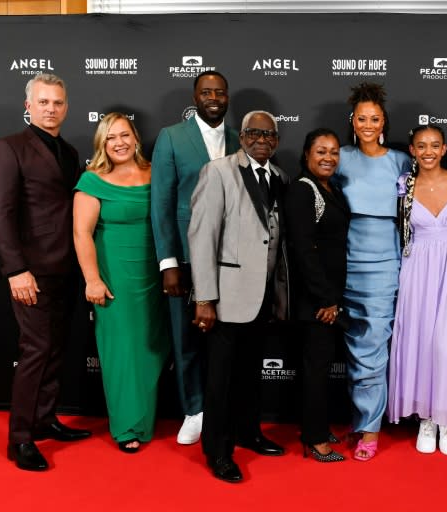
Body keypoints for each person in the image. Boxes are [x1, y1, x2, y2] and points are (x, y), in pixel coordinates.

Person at [0, 73, 91, 471]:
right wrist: (16, 269)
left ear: (66, 106)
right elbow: (1, 213)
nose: (51, 108)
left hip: (65, 268)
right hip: (29, 271)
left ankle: (44, 419)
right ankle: (21, 439)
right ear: (29, 105)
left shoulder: (68, 150)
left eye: (58, 102)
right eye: (44, 102)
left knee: (55, 349)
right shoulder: (8, 148)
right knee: (35, 351)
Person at [188, 110, 289, 483]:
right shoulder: (218, 172)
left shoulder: (280, 177)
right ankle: (218, 451)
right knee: (221, 380)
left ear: (276, 141)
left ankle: (248, 432)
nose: (261, 139)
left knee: (250, 374)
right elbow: (201, 238)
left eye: (269, 134)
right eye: (254, 133)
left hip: (262, 297)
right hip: (226, 297)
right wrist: (204, 298)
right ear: (242, 136)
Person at [151, 71, 240, 445]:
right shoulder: (172, 137)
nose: (214, 97)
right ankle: (193, 410)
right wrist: (168, 262)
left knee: (223, 340)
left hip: (230, 259)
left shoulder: (240, 139)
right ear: (195, 97)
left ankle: (220, 410)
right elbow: (162, 202)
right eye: (206, 92)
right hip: (186, 258)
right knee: (186, 337)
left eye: (220, 91)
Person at [73, 113, 170, 453]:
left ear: (136, 139)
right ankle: (126, 426)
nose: (120, 142)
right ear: (102, 143)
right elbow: (81, 233)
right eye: (111, 137)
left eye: (125, 135)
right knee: (121, 353)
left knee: (150, 349)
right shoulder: (92, 181)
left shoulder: (154, 174)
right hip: (115, 279)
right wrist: (92, 279)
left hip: (154, 277)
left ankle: (144, 419)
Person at [332, 82, 411, 461]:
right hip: (347, 261)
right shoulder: (340, 158)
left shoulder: (400, 161)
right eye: (361, 118)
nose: (367, 124)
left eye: (374, 119)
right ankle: (361, 417)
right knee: (354, 345)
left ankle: (371, 427)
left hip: (385, 263)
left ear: (384, 122)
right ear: (353, 121)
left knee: (373, 346)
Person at [387, 125, 447, 455]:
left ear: (444, 149)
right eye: (421, 146)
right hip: (417, 270)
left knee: (446, 345)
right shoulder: (404, 186)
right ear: (411, 150)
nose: (428, 151)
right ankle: (427, 418)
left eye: (434, 145)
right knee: (421, 343)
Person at [285, 128, 350, 463]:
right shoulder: (301, 190)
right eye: (321, 151)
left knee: (320, 368)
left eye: (334, 152)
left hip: (329, 296)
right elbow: (303, 251)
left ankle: (317, 427)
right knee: (314, 369)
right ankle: (314, 440)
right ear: (307, 154)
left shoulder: (330, 187)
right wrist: (326, 300)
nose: (328, 158)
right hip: (315, 300)